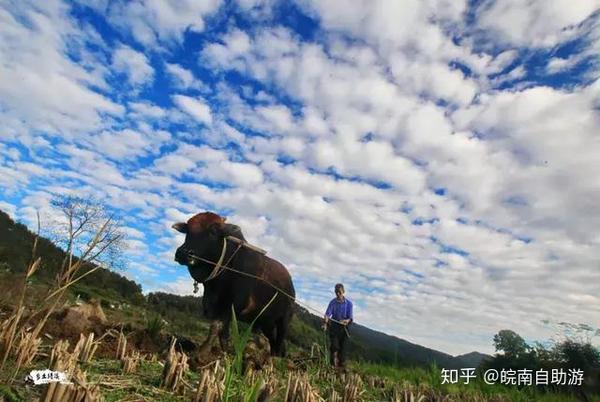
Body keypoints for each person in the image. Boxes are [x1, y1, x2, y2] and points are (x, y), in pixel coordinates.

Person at [323, 283, 353, 370]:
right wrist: (325, 322)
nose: (338, 294)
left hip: (344, 328)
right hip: (334, 327)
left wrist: (345, 321)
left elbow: (350, 318)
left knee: (342, 352)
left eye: (339, 292)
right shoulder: (332, 302)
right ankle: (332, 367)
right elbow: (328, 314)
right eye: (336, 292)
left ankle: (341, 369)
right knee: (334, 348)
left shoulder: (349, 304)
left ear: (343, 292)